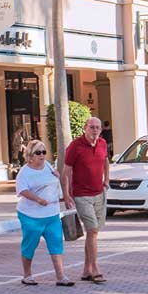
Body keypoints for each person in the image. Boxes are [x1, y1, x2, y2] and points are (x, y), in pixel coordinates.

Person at [15, 142, 72, 286]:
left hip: (51, 214)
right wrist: (38, 199)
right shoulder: (25, 172)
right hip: (31, 215)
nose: (42, 155)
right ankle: (27, 275)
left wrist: (58, 178)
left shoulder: (47, 165)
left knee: (56, 243)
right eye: (38, 153)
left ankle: (61, 276)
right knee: (30, 245)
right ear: (30, 156)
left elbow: (53, 181)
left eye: (43, 152)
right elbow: (22, 190)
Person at [62, 116, 110, 284]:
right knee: (93, 230)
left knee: (93, 233)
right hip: (82, 195)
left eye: (97, 127)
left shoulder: (102, 143)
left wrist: (106, 180)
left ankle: (86, 270)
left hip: (99, 194)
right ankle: (95, 268)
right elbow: (66, 171)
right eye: (92, 127)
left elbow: (105, 161)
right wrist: (67, 194)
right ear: (85, 128)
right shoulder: (75, 146)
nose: (95, 130)